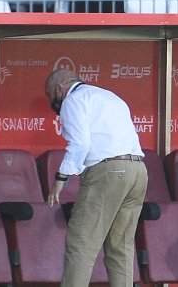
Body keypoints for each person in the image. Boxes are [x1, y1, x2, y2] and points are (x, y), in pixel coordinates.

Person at [44, 68, 148, 287]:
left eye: (50, 95)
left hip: (108, 172)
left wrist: (61, 177)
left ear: (59, 89)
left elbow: (80, 144)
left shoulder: (73, 100)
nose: (51, 101)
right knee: (121, 247)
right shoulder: (110, 97)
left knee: (80, 243)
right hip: (138, 171)